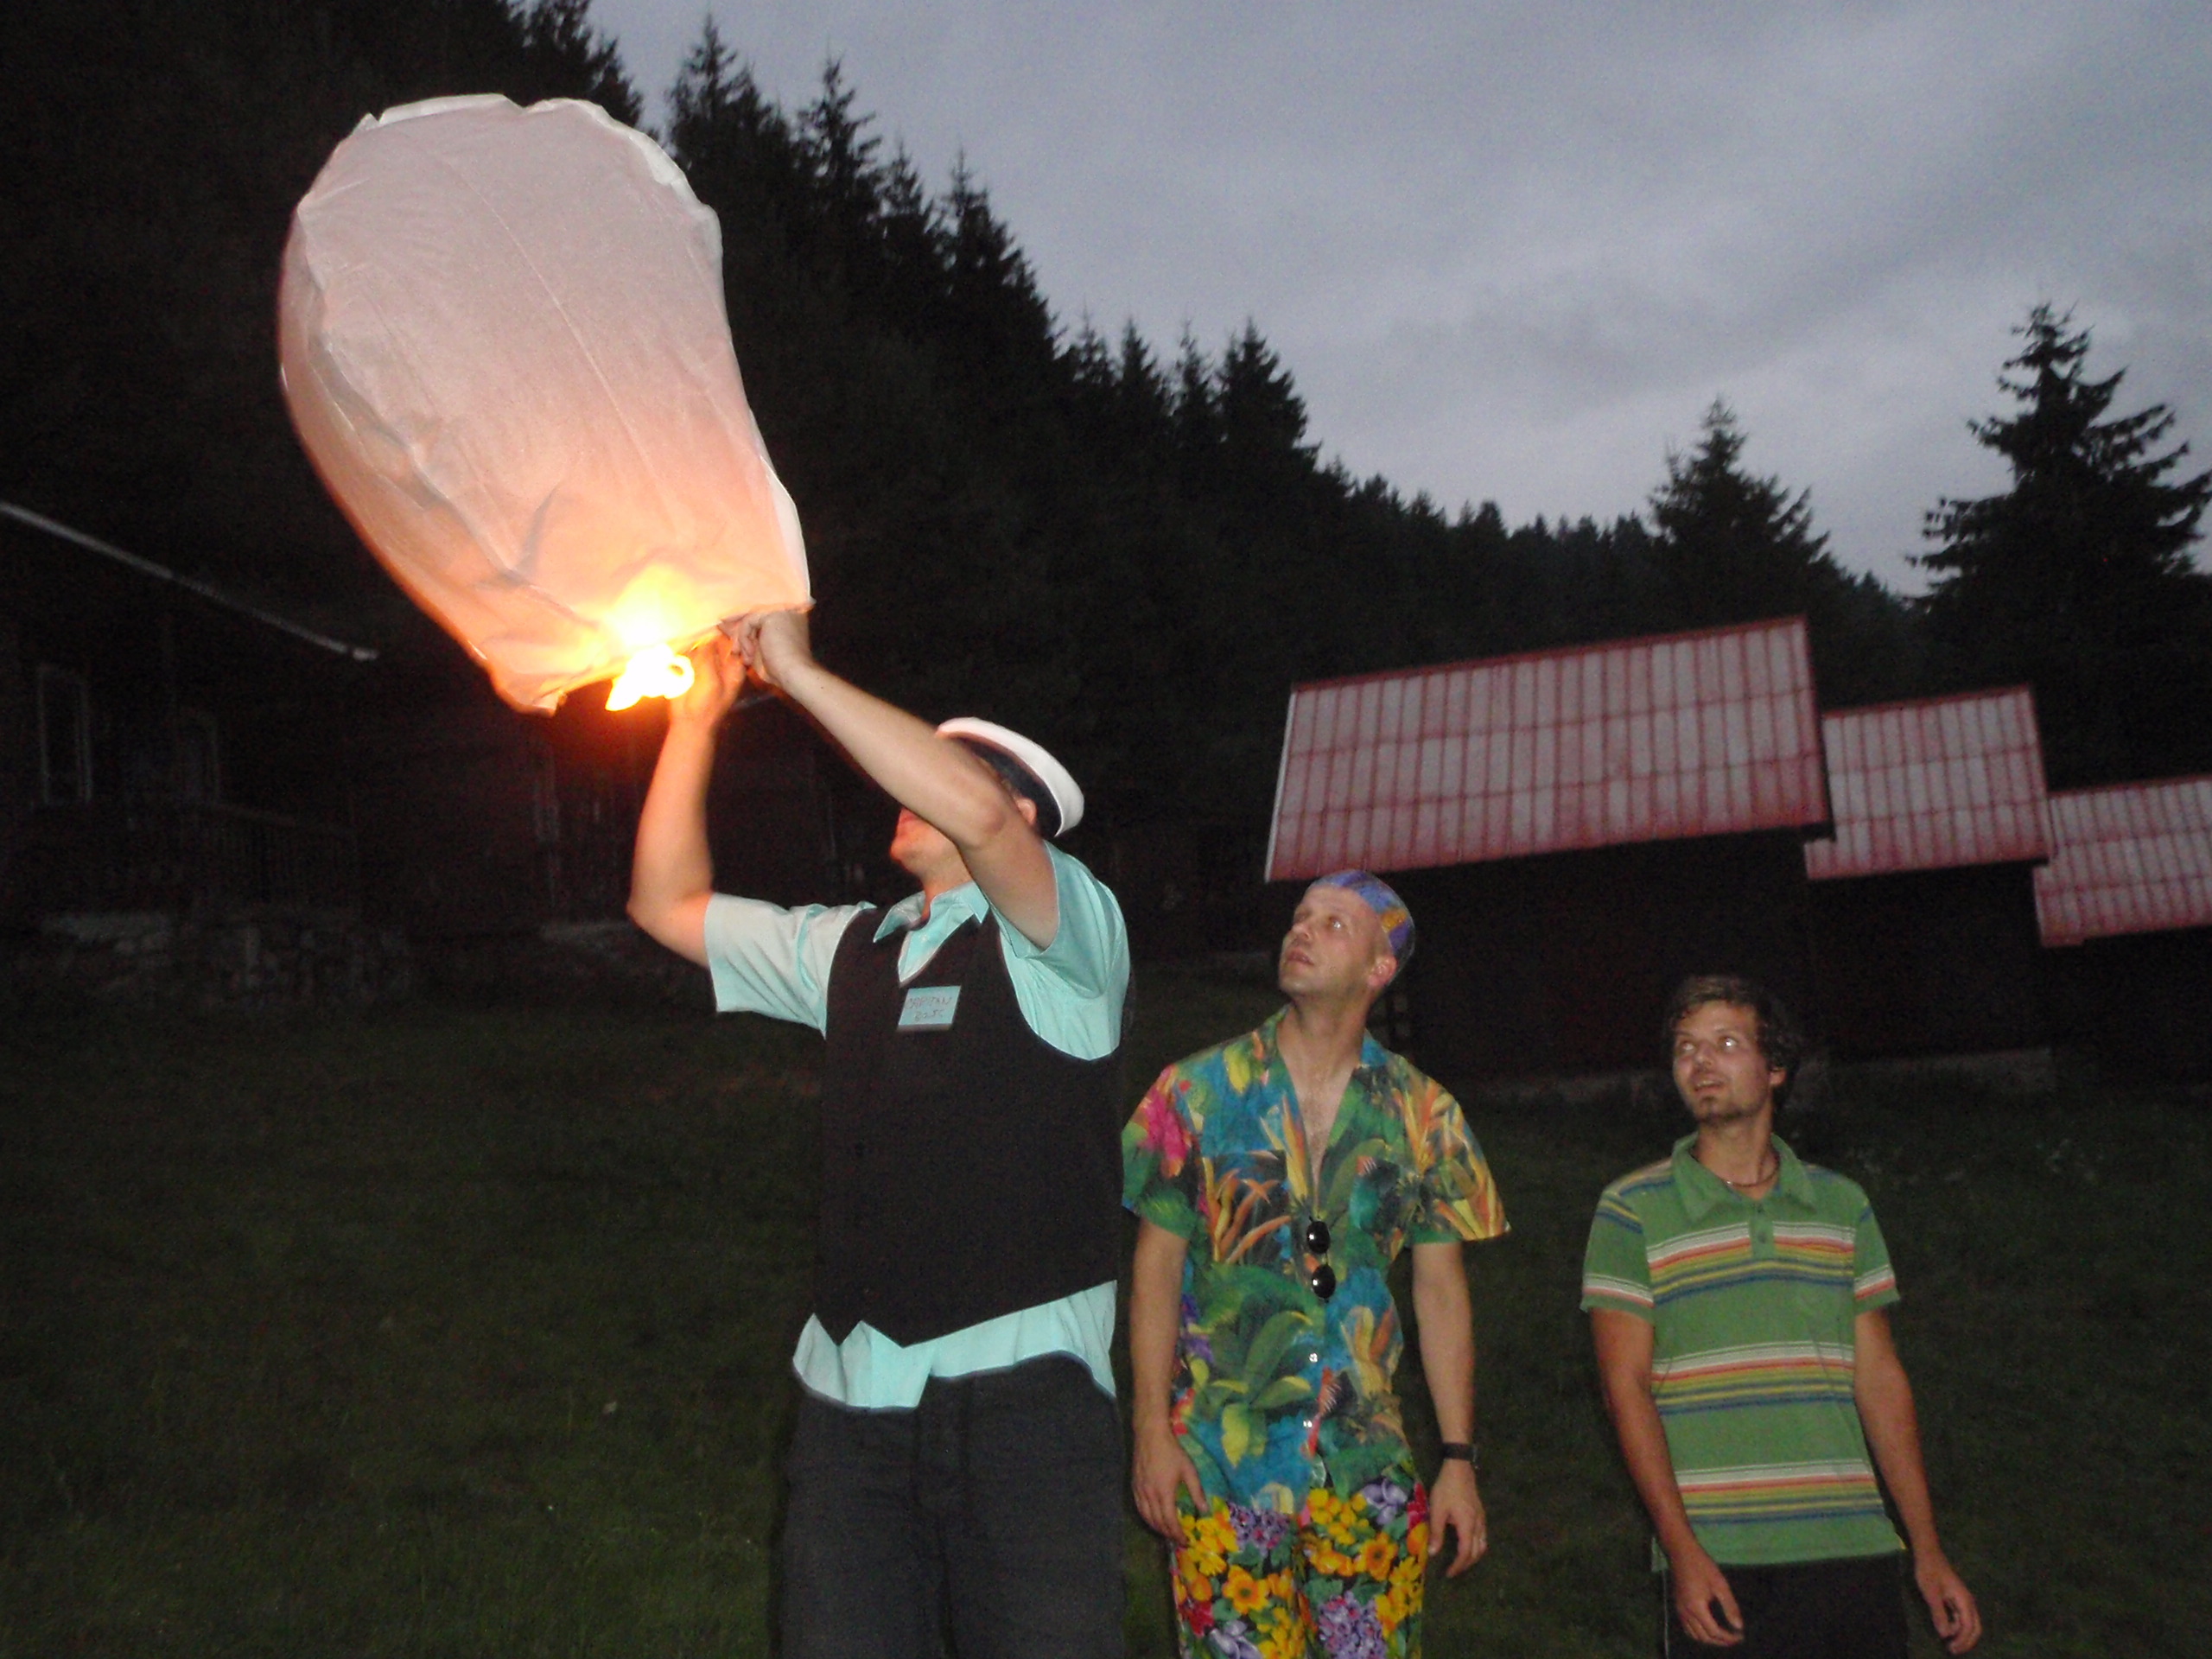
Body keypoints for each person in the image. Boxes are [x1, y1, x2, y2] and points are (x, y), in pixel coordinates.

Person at [627, 611, 1132, 1659]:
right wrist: (696, 720)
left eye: (945, 771)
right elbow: (664, 902)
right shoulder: (851, 948)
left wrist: (798, 671)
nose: (905, 784)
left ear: (1024, 813)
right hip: (849, 1402)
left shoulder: (1072, 933)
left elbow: (981, 823)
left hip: (1025, 1408)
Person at [1122, 870, 1507, 1659]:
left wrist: (1458, 1459)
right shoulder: (1195, 1091)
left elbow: (1440, 1292)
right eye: (1300, 917)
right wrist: (1150, 1433)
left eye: (1334, 924)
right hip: (1218, 1467)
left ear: (1379, 967)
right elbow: (1155, 1270)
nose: (1301, 930)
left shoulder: (1425, 1114)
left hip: (1365, 1470)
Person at [1583, 976, 1982, 1657]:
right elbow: (1626, 1391)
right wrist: (1682, 1550)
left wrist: (1928, 1549)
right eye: (1685, 1048)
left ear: (1775, 1067)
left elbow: (1880, 1382)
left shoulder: (1842, 1205)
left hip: (1852, 1547)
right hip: (1722, 1558)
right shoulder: (1631, 1210)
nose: (1700, 1063)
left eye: (1725, 1044)